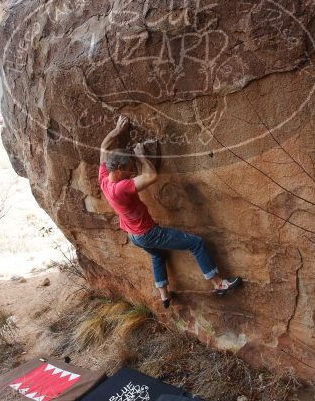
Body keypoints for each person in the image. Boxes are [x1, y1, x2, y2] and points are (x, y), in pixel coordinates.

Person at [99, 115, 242, 308]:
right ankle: (219, 284)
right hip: (149, 233)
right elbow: (151, 176)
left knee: (158, 255)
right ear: (119, 168)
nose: (132, 172)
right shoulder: (120, 188)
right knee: (196, 243)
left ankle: (165, 296)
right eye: (129, 169)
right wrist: (141, 157)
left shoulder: (104, 179)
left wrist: (118, 130)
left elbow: (103, 147)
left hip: (134, 235)